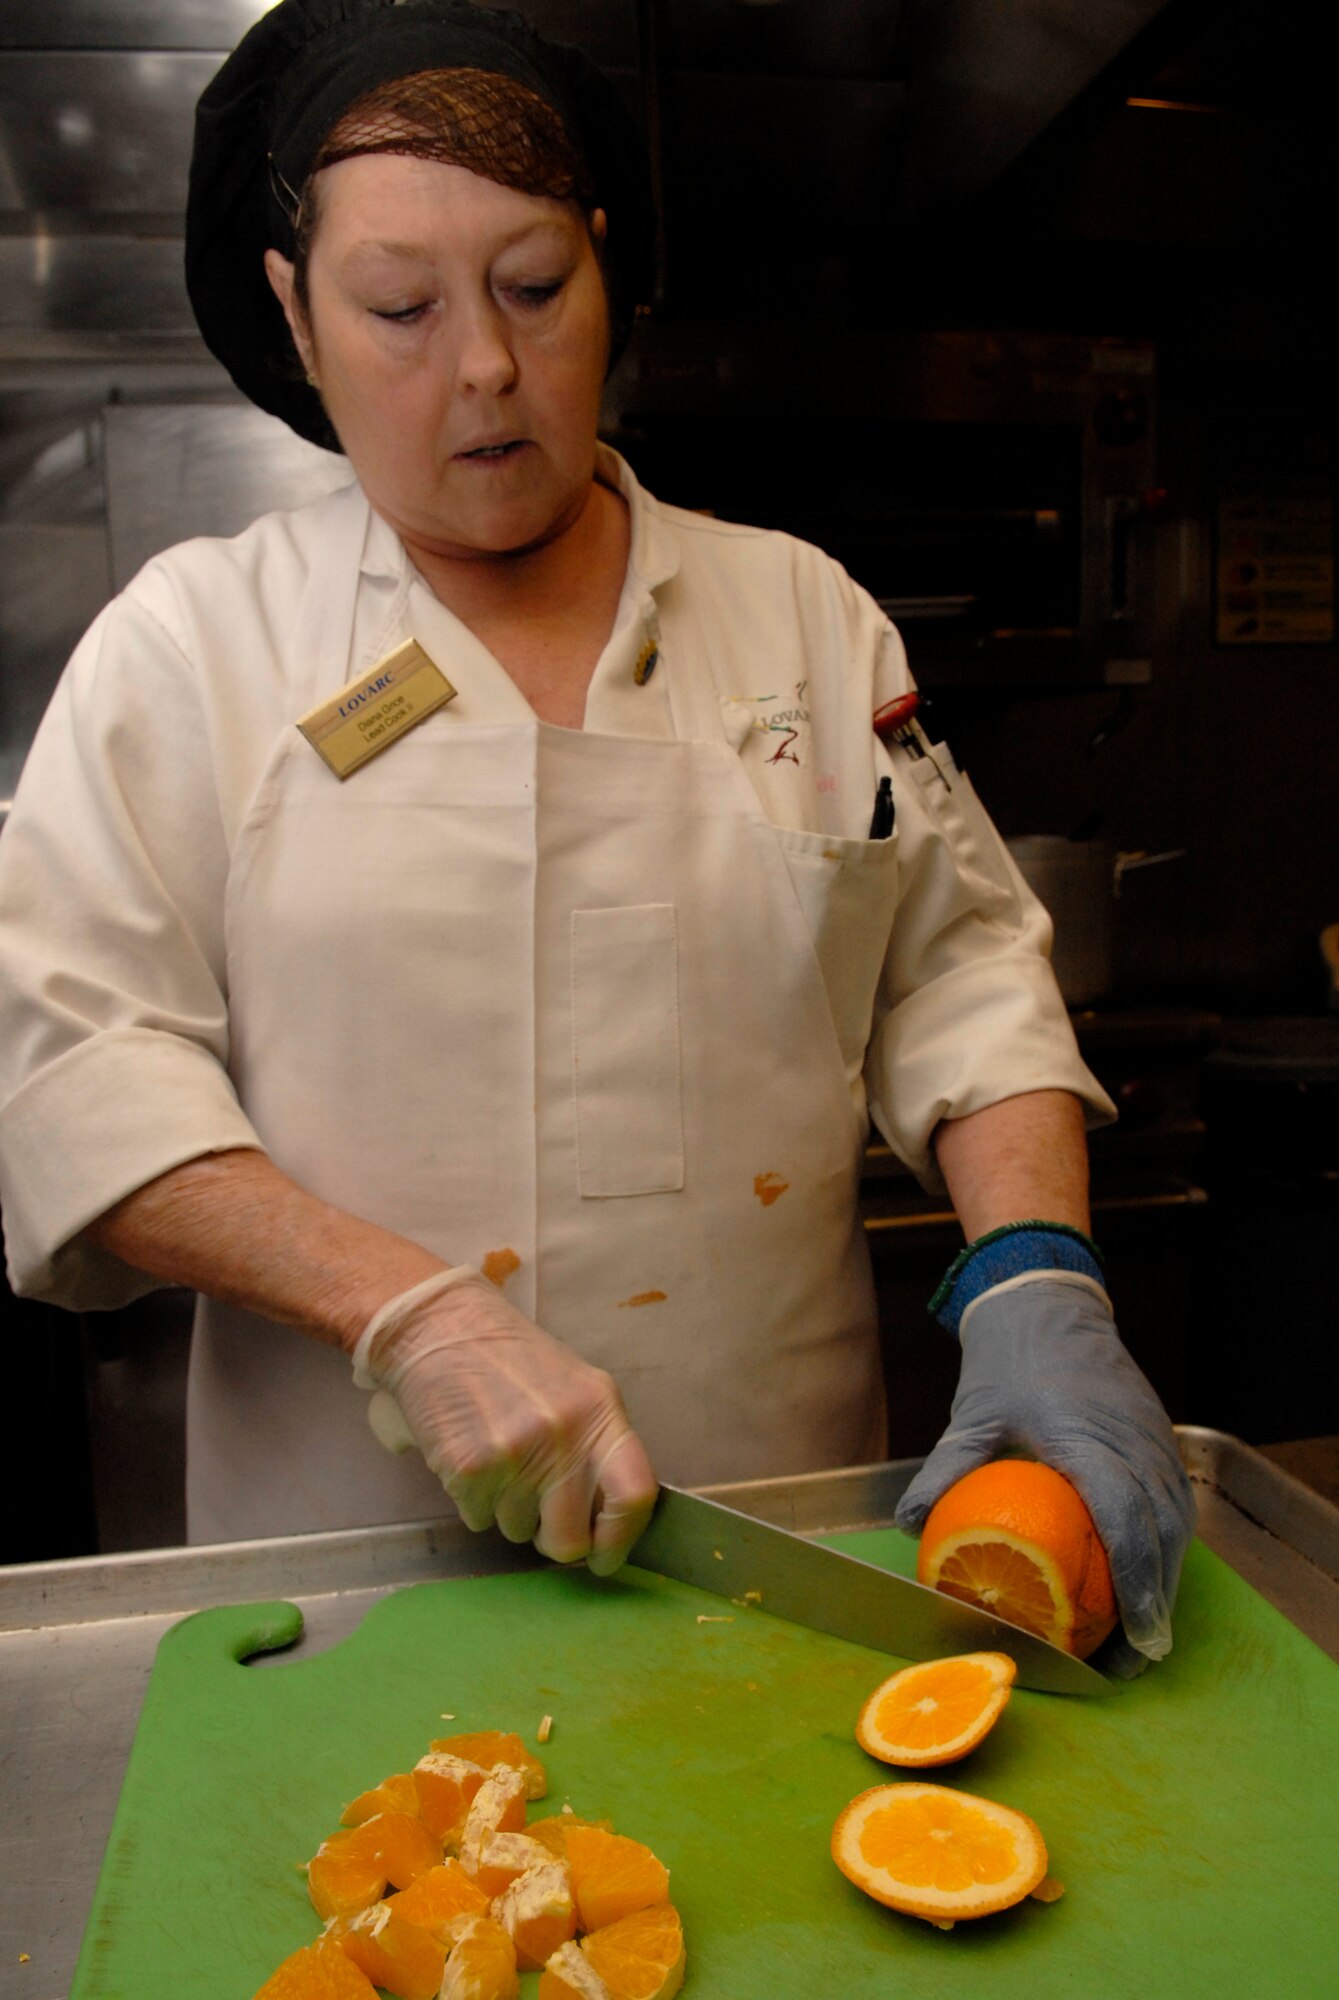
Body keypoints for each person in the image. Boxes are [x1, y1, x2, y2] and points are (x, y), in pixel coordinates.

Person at [0, 0, 1192, 1666]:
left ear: (608, 268)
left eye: (535, 287)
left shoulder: (803, 618)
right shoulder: (197, 645)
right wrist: (395, 1310)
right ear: (296, 311)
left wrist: (1037, 1271)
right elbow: (74, 1073)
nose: (482, 364)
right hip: (346, 1603)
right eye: (401, 305)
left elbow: (960, 974)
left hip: (775, 1566)